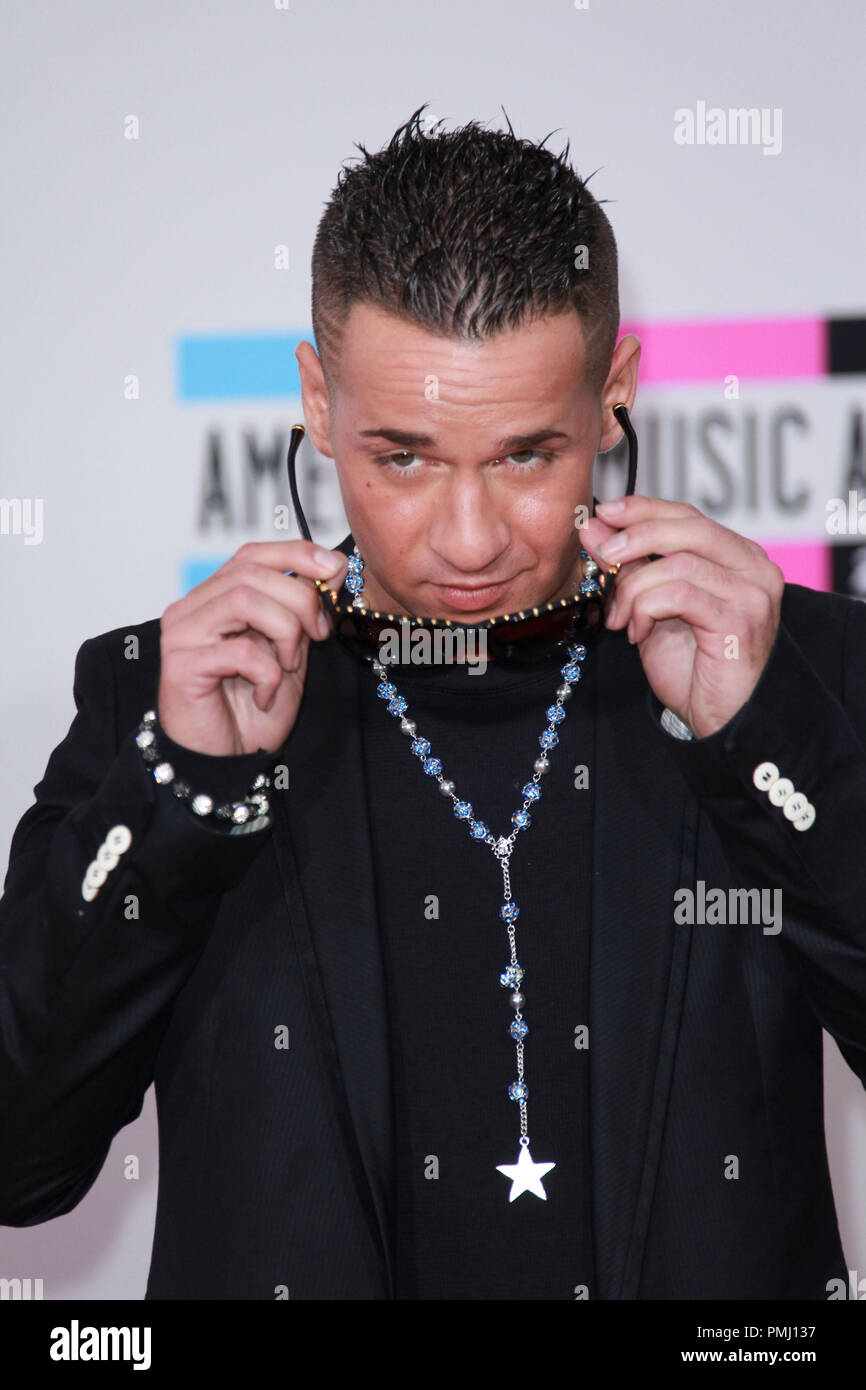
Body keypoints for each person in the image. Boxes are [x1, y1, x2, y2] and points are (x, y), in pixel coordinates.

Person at [1, 105, 865, 1302]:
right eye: (400, 458)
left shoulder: (799, 665)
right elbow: (20, 1159)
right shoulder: (159, 696)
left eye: (525, 455)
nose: (467, 540)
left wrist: (772, 740)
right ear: (315, 400)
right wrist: (180, 795)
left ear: (613, 391)